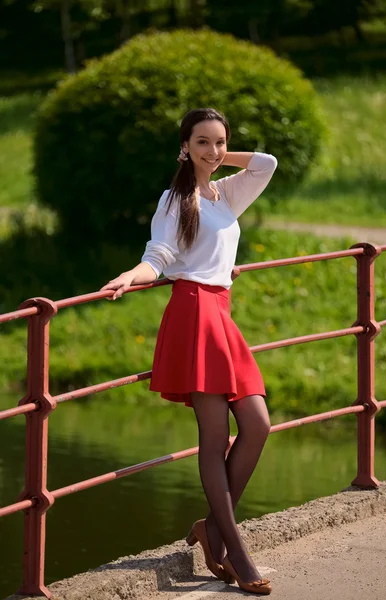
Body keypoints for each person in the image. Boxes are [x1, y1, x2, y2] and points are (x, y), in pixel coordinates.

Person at [100, 107, 278, 595]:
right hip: (193, 314)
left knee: (259, 424)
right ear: (184, 146)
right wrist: (130, 277)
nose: (214, 151)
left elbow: (266, 163)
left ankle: (211, 531)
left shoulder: (226, 192)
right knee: (215, 434)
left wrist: (218, 160)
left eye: (220, 142)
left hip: (221, 314)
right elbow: (157, 257)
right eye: (202, 142)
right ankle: (235, 551)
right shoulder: (175, 199)